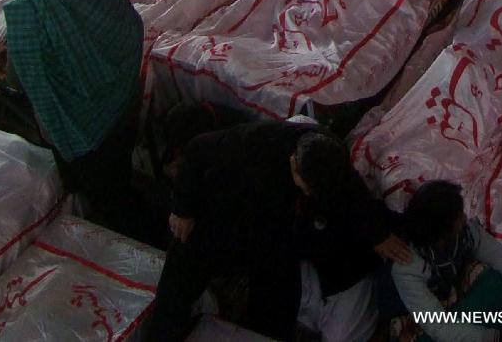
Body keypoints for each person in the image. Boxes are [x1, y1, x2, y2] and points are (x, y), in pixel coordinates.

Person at [149, 121, 408, 342]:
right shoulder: (257, 143)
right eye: (305, 186)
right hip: (224, 215)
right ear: (293, 162)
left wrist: (378, 234)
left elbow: (353, 193)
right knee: (179, 281)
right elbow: (197, 150)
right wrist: (183, 208)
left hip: (273, 234)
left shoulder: (331, 159)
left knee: (275, 307)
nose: (308, 193)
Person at [4, 0, 144, 237]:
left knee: (94, 187)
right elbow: (131, 32)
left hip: (68, 127)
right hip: (119, 112)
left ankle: (102, 226)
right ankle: (131, 231)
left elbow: (21, 78)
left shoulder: (26, 15)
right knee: (115, 182)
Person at [391, 181, 502, 342]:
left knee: (497, 280)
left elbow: (500, 258)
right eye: (459, 215)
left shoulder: (465, 234)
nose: (465, 217)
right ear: (442, 228)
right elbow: (439, 327)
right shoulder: (407, 267)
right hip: (427, 321)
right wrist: (496, 338)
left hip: (456, 298)